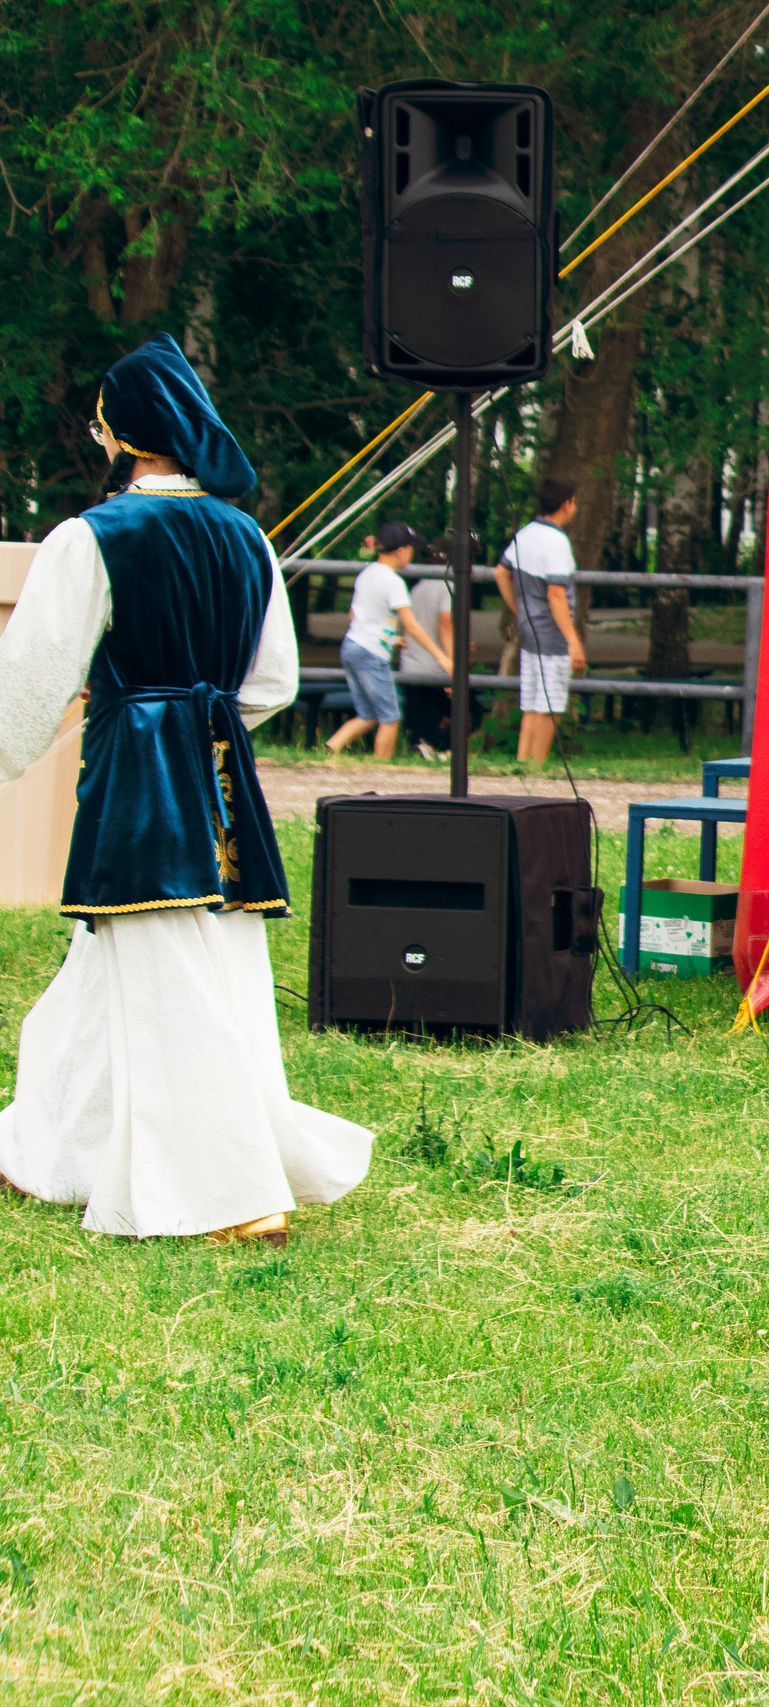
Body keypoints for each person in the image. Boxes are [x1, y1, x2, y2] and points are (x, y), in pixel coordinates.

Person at [0, 333, 373, 1245]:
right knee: (130, 972)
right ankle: (44, 1151)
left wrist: (130, 720)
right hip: (216, 774)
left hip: (137, 770)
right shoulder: (247, 538)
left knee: (170, 972)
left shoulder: (95, 536)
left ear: (125, 435)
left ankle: (233, 1193)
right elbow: (273, 682)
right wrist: (203, 724)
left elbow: (34, 678)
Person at [325, 521, 450, 757]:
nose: (412, 554)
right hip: (370, 652)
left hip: (352, 646)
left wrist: (391, 639)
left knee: (368, 714)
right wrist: (441, 657)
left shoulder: (367, 574)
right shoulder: (394, 582)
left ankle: (329, 750)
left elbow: (356, 614)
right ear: (401, 550)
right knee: (390, 717)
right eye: (411, 549)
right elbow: (412, 626)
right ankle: (381, 767)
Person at [495, 479, 584, 765]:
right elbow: (556, 595)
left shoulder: (526, 533)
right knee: (552, 703)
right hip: (552, 631)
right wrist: (573, 641)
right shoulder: (557, 541)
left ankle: (524, 763)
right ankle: (537, 764)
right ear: (567, 503)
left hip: (529, 628)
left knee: (532, 700)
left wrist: (520, 610)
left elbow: (500, 572)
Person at [398, 539, 458, 760]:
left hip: (411, 663)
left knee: (422, 715)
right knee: (470, 711)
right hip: (434, 667)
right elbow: (445, 624)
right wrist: (453, 661)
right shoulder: (448, 585)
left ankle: (423, 747)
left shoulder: (417, 587)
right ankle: (436, 746)